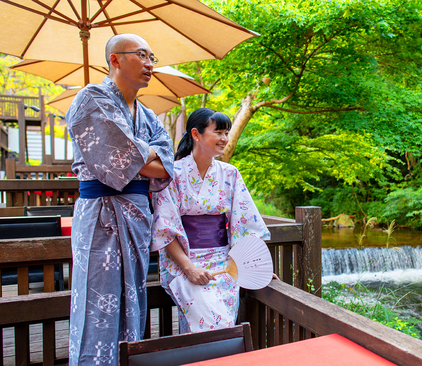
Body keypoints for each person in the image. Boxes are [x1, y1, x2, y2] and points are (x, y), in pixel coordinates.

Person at [66, 34, 174, 366]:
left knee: (133, 300)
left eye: (152, 57)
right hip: (101, 214)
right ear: (115, 59)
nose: (150, 64)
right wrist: (143, 156)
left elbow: (166, 164)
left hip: (137, 216)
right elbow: (117, 162)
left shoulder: (149, 115)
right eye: (142, 55)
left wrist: (132, 151)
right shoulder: (90, 99)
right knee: (97, 301)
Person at [151, 108, 270, 334]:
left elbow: (245, 223)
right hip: (183, 262)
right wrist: (189, 268)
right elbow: (164, 230)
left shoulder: (230, 173)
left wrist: (253, 263)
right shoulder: (172, 173)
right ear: (196, 134)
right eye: (219, 132)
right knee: (214, 324)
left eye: (227, 133)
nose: (225, 139)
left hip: (224, 263)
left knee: (223, 323)